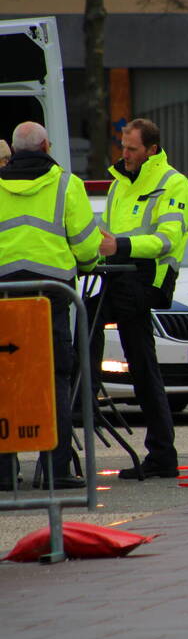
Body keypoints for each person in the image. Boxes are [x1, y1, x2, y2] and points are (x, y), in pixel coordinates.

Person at [90, 118, 188, 480]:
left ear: (152, 149)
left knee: (138, 362)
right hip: (119, 277)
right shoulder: (121, 184)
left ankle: (161, 452)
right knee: (135, 359)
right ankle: (161, 453)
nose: (126, 153)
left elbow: (167, 239)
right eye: (123, 145)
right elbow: (106, 234)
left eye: (132, 148)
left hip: (147, 280)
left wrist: (119, 245)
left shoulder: (173, 183)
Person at [0, 121, 101, 489]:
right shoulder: (65, 184)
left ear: (13, 151)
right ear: (46, 147)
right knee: (54, 378)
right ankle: (56, 470)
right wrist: (87, 263)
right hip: (51, 298)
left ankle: (4, 472)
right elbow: (87, 246)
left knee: (6, 379)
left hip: (5, 299)